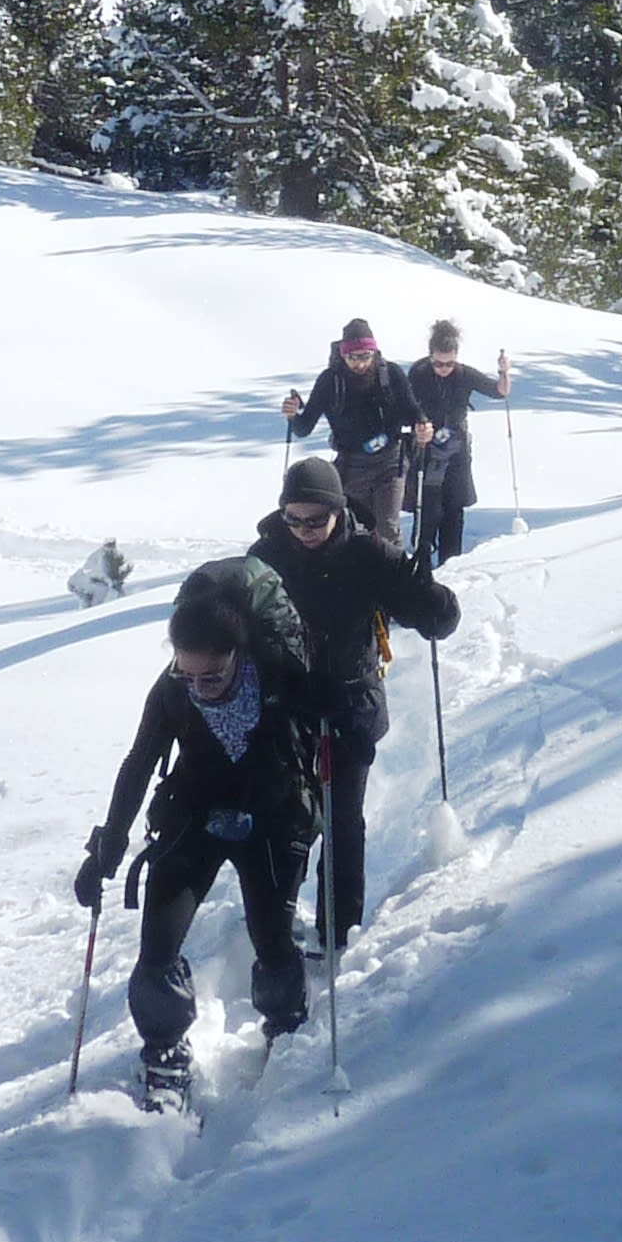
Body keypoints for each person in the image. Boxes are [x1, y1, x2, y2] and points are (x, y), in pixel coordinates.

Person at [74, 556, 328, 1109]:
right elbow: (139, 762)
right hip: (193, 817)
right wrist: (108, 848)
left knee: (273, 938)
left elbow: (331, 730)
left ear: (239, 655)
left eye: (209, 676)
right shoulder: (172, 691)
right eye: (186, 674)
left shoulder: (283, 675)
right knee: (157, 949)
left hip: (272, 816)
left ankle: (285, 1022)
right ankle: (164, 1052)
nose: (198, 688)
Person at [253, 453, 456, 948]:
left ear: (338, 510)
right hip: (288, 710)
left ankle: (337, 930)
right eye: (293, 518)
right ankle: (274, 929)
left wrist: (429, 596)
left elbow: (434, 620)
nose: (304, 529)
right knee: (288, 821)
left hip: (350, 705)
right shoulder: (265, 558)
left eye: (315, 519)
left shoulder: (369, 554)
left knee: (343, 821)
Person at [283, 316, 426, 543]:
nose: (359, 363)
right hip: (351, 465)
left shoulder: (391, 374)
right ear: (342, 354)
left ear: (374, 352)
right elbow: (304, 427)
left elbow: (411, 409)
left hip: (391, 461)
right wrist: (293, 415)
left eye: (365, 356)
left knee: (387, 529)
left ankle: (394, 576)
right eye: (352, 357)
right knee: (357, 528)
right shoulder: (330, 381)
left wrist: (422, 423)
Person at [406, 320, 514, 571]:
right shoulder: (419, 373)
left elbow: (500, 392)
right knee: (428, 505)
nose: (443, 368)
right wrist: (417, 424)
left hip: (457, 446)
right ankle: (422, 558)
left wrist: (503, 372)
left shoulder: (464, 374)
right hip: (427, 447)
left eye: (449, 363)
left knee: (454, 505)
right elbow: (405, 404)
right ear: (430, 356)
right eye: (438, 363)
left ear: (456, 358)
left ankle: (450, 562)